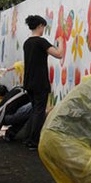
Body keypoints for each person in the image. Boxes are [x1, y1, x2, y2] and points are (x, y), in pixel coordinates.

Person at [23, 15, 63, 149]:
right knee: (39, 112)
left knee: (35, 110)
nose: (43, 30)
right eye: (43, 27)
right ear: (40, 26)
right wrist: (61, 42)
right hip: (40, 82)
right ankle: (34, 142)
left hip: (29, 82)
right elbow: (58, 54)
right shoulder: (41, 42)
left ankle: (29, 139)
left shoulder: (27, 43)